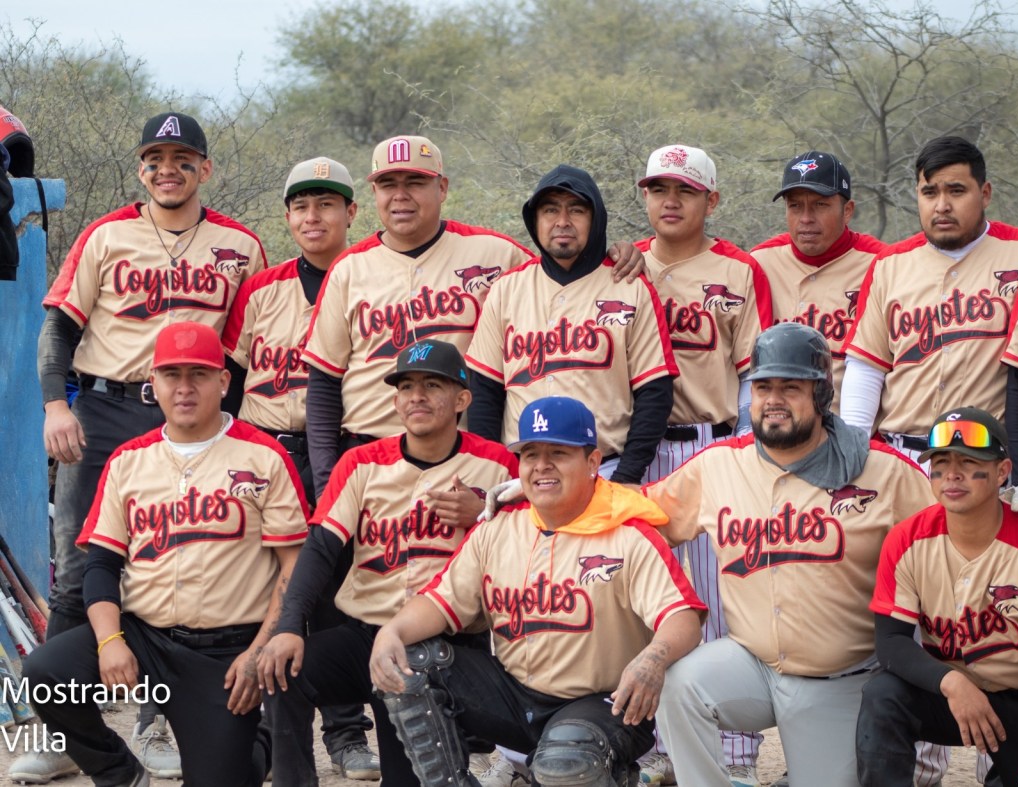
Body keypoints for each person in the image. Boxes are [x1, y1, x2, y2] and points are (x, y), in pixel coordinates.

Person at [23, 111, 266, 783]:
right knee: (80, 570)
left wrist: (235, 425)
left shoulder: (239, 246)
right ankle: (66, 728)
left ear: (205, 169)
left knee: (184, 561)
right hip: (107, 408)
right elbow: (60, 325)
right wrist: (54, 405)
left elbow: (245, 350)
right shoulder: (108, 234)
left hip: (196, 415)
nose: (169, 168)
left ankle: (161, 716)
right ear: (140, 167)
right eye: (156, 157)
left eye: (183, 157)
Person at [644, 323, 934, 787]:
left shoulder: (883, 471)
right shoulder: (719, 465)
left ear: (820, 396)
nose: (773, 399)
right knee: (679, 685)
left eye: (790, 387)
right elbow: (635, 519)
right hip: (750, 663)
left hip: (840, 679)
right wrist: (549, 496)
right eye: (763, 386)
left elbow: (953, 539)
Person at [21, 321, 308, 787]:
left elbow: (293, 570)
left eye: (199, 373)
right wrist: (111, 641)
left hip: (226, 649)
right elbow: (101, 565)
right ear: (152, 384)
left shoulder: (264, 456)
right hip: (143, 636)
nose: (185, 387)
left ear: (223, 381)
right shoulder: (129, 459)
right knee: (46, 672)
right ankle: (119, 773)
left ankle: (260, 738)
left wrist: (259, 651)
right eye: (172, 374)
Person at [369, 395, 707, 787]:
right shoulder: (497, 528)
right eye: (530, 454)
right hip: (514, 697)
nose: (541, 466)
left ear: (593, 463)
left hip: (600, 706)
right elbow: (439, 602)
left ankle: (609, 773)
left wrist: (653, 659)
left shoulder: (628, 534)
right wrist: (389, 632)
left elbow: (682, 617)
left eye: (558, 453)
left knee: (565, 763)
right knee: (410, 661)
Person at [301, 135, 648, 500]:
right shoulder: (348, 269)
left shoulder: (495, 253)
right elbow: (323, 384)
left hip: (462, 462)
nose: (400, 195)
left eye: (415, 182)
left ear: (443, 188)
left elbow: (564, 266)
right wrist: (328, 485)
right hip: (368, 460)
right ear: (374, 193)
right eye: (388, 184)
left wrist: (619, 253)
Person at [257, 338, 519, 786]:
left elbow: (532, 546)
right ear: (396, 401)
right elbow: (321, 549)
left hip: (443, 650)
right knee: (284, 671)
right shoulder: (361, 463)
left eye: (432, 385)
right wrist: (287, 629)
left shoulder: (497, 464)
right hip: (364, 638)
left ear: (462, 399)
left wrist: (483, 513)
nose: (416, 395)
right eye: (406, 386)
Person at [220, 157, 379, 779]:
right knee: (263, 587)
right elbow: (230, 380)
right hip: (265, 448)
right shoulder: (262, 288)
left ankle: (345, 733)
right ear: (287, 216)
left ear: (350, 213)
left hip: (334, 445)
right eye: (301, 206)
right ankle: (260, 732)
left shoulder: (371, 275)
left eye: (327, 204)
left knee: (332, 588)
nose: (313, 217)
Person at [632, 143, 773, 786]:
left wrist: (748, 456)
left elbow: (755, 377)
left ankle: (735, 758)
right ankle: (657, 748)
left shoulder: (739, 271)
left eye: (685, 190)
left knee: (721, 602)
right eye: (659, 188)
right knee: (643, 605)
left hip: (709, 442)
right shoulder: (619, 266)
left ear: (711, 200)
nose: (670, 200)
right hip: (633, 448)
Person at [466, 164, 677, 486]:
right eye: (550, 210)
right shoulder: (507, 289)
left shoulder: (630, 286)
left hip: (605, 469)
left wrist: (627, 476)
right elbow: (485, 392)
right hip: (521, 471)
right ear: (534, 220)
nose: (562, 222)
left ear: (596, 219)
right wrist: (494, 472)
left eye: (576, 210)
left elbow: (654, 393)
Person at [857, 406, 1018, 787]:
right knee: (884, 696)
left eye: (969, 461)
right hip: (950, 695)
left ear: (1002, 471)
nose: (952, 473)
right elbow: (891, 642)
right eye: (942, 461)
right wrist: (951, 682)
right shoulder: (907, 539)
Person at [842, 136, 1018, 455]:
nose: (942, 206)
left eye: (956, 191)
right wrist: (853, 453)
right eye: (930, 192)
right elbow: (867, 367)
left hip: (984, 456)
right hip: (902, 452)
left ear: (985, 194)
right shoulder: (889, 264)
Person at [750, 150, 887, 413]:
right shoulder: (759, 261)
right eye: (795, 206)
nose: (806, 218)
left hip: (852, 428)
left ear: (847, 211)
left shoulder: (882, 263)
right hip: (777, 425)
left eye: (820, 205)